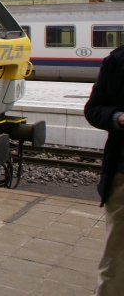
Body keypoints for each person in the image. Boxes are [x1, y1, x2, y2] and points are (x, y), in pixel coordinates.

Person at [85, 44, 124, 296]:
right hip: (123, 174)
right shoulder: (117, 62)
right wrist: (118, 117)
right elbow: (93, 109)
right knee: (117, 260)